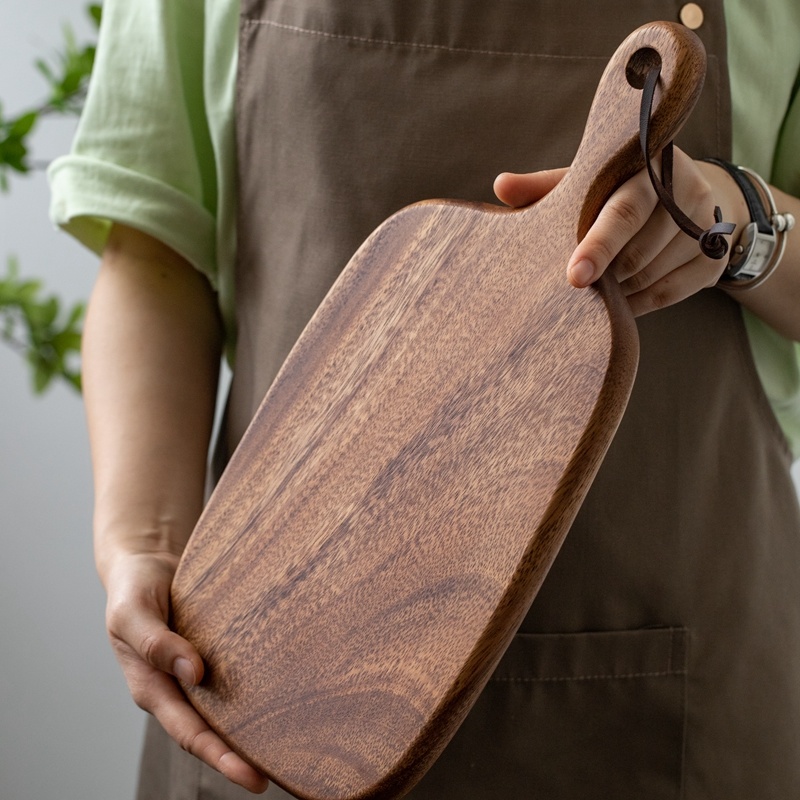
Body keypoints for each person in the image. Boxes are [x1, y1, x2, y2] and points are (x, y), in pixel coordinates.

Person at [49, 0, 800, 797]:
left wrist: (744, 228)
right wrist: (145, 544)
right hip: (263, 670)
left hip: (676, 690)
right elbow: (152, 250)